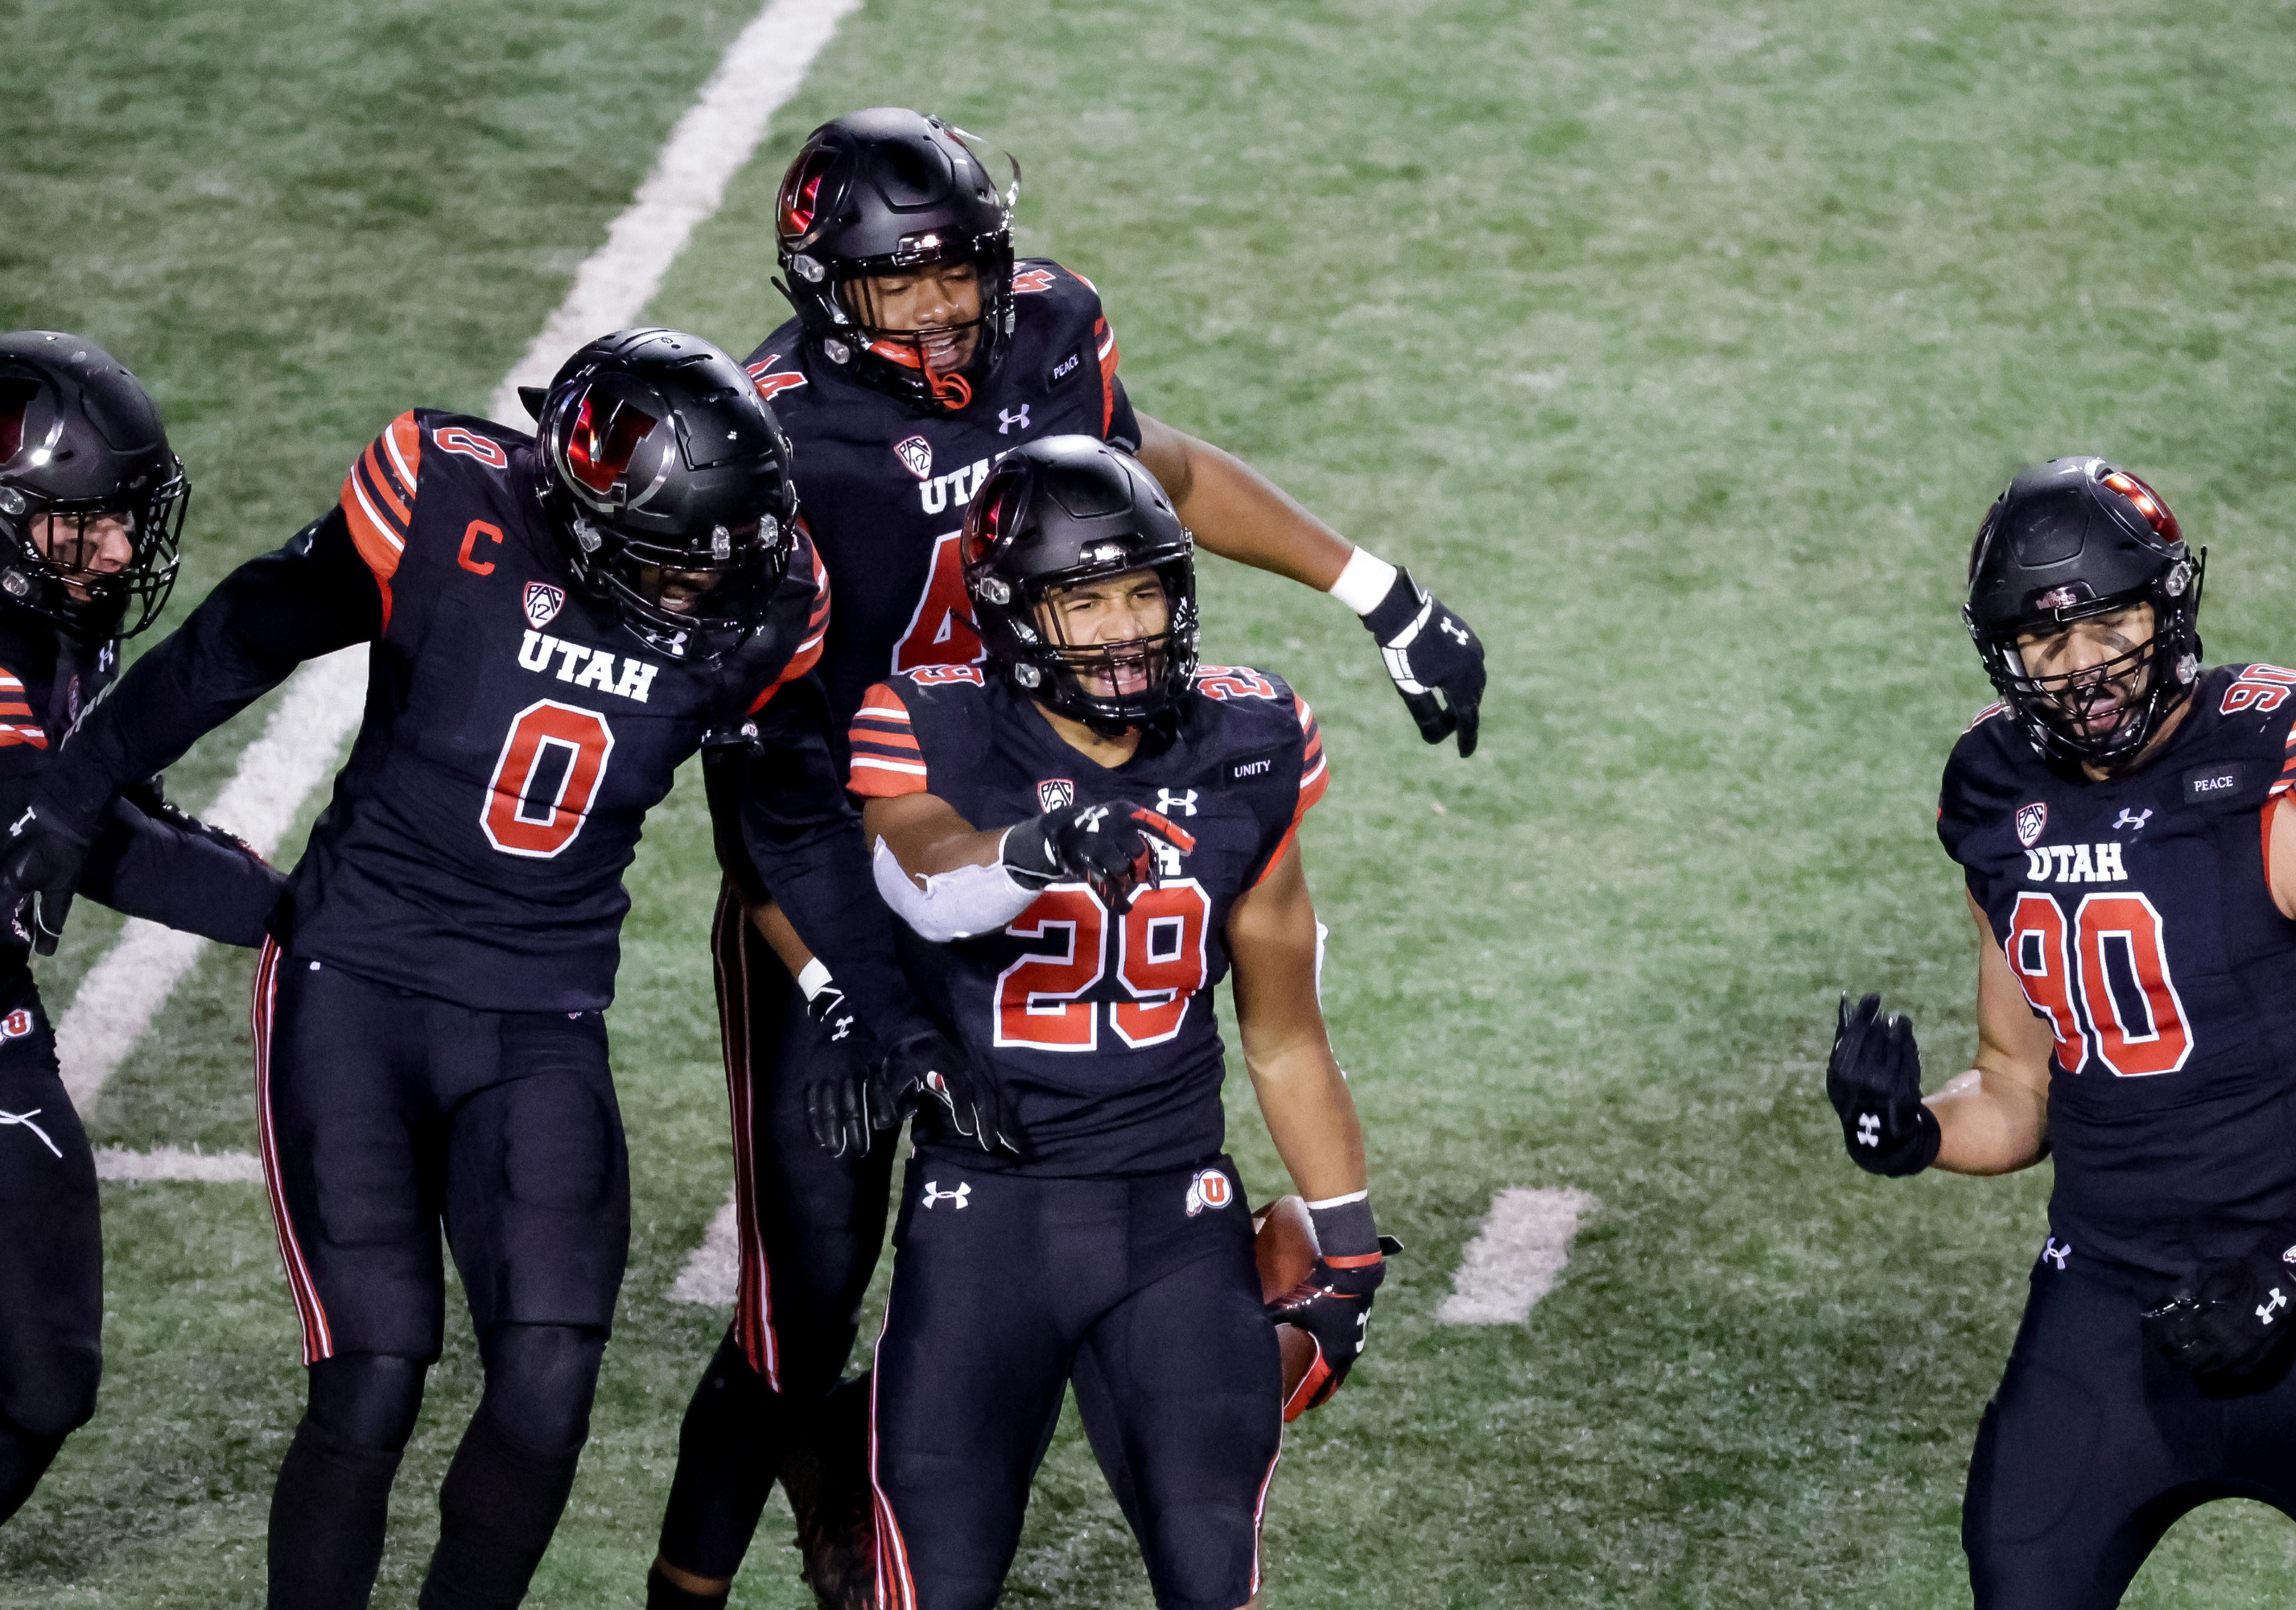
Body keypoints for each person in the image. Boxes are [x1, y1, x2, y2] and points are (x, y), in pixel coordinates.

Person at [652, 106, 1467, 1608]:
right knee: (811, 1277)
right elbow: (762, 770)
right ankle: (692, 1578)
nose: (944, 305)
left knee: (1058, 1161)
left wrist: (1378, 589)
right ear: (822, 280)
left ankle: (945, 1422)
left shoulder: (1052, 329)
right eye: (899, 282)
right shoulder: (776, 438)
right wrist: (841, 983)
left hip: (1053, 818)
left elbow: (1153, 476)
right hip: (846, 853)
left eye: (960, 268)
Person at [0, 328, 954, 1608]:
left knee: (551, 1387)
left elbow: (790, 818)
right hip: (359, 986)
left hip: (542, 1010)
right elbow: (245, 635)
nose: (711, 591)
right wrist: (72, 793)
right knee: (376, 1371)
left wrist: (880, 1011)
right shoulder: (446, 501)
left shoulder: (766, 595)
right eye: (680, 563)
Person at [1826, 456, 2296, 1608]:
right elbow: (2014, 1089)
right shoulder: (1995, 788)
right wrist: (1910, 1133)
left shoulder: (2293, 775)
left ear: (2169, 607)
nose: (2082, 670)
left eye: (2109, 625)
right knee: (2022, 1573)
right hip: (2112, 1287)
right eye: (2045, 644)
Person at [847, 436, 1383, 1609]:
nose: (1126, 628)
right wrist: (1039, 849)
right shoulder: (929, 722)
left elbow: (1284, 1031)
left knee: (1212, 1579)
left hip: (1172, 1218)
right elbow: (927, 883)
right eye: (1084, 601)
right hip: (986, 1219)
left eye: (1145, 590)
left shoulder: (1249, 745)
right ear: (1011, 612)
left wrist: (1346, 1240)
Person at [0, 330, 286, 1524]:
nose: (118, 546)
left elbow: (94, 800)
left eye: (128, 516)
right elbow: (71, 833)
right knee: (36, 1372)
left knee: (40, 1375)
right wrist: (312, 915)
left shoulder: (53, 611)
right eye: (85, 522)